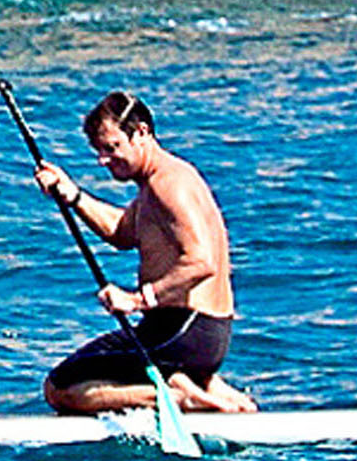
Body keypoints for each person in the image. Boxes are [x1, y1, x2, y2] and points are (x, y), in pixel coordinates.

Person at [32, 89, 255, 414]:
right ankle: (217, 396)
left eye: (111, 148)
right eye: (98, 151)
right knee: (119, 366)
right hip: (198, 334)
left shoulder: (169, 185)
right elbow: (123, 232)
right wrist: (73, 195)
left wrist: (137, 300)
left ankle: (181, 398)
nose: (103, 161)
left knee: (59, 388)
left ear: (141, 133)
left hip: (184, 330)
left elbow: (201, 261)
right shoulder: (157, 183)